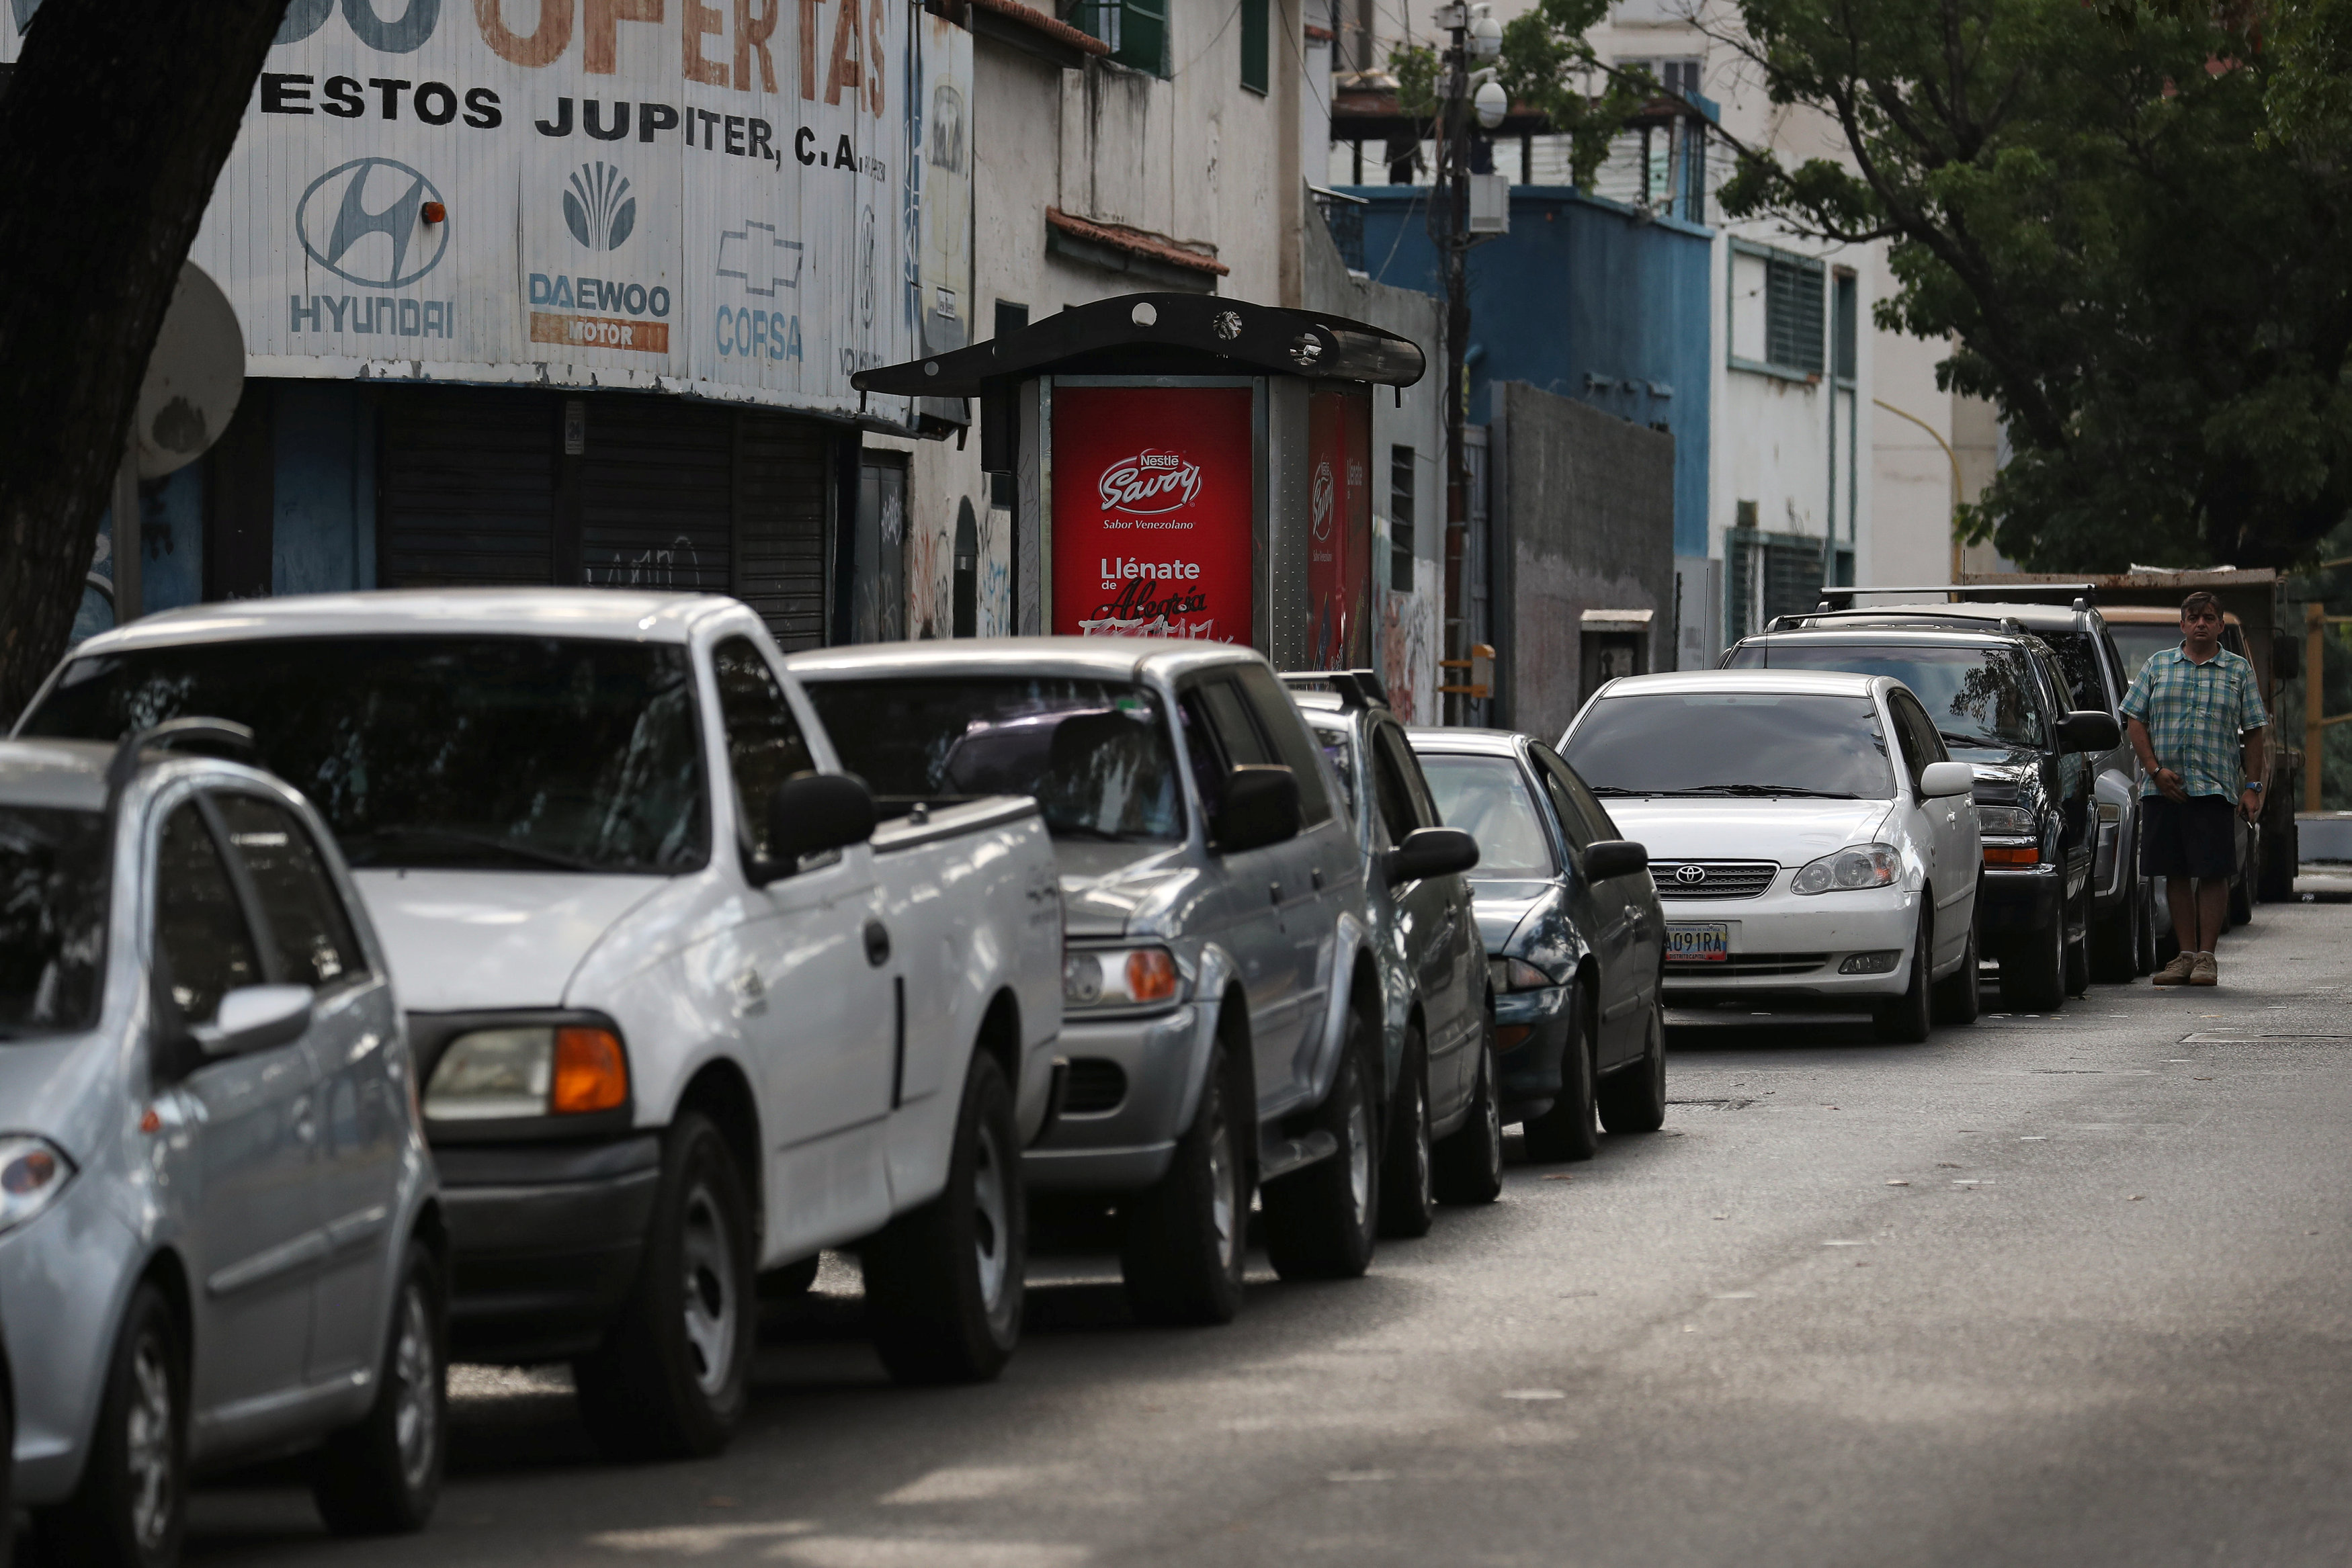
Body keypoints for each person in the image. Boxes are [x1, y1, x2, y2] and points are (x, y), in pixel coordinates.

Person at [2119, 591, 2268, 987]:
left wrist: (2252, 788)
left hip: (2215, 788)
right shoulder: (2158, 666)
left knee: (2214, 871)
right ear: (2182, 625)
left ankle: (2207, 958)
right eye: (2193, 617)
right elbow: (2135, 719)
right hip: (2164, 789)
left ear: (2220, 625)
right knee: (2175, 871)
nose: (2200, 623)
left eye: (2208, 617)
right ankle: (2184, 956)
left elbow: (2254, 731)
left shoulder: (2237, 672)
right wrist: (2155, 771)